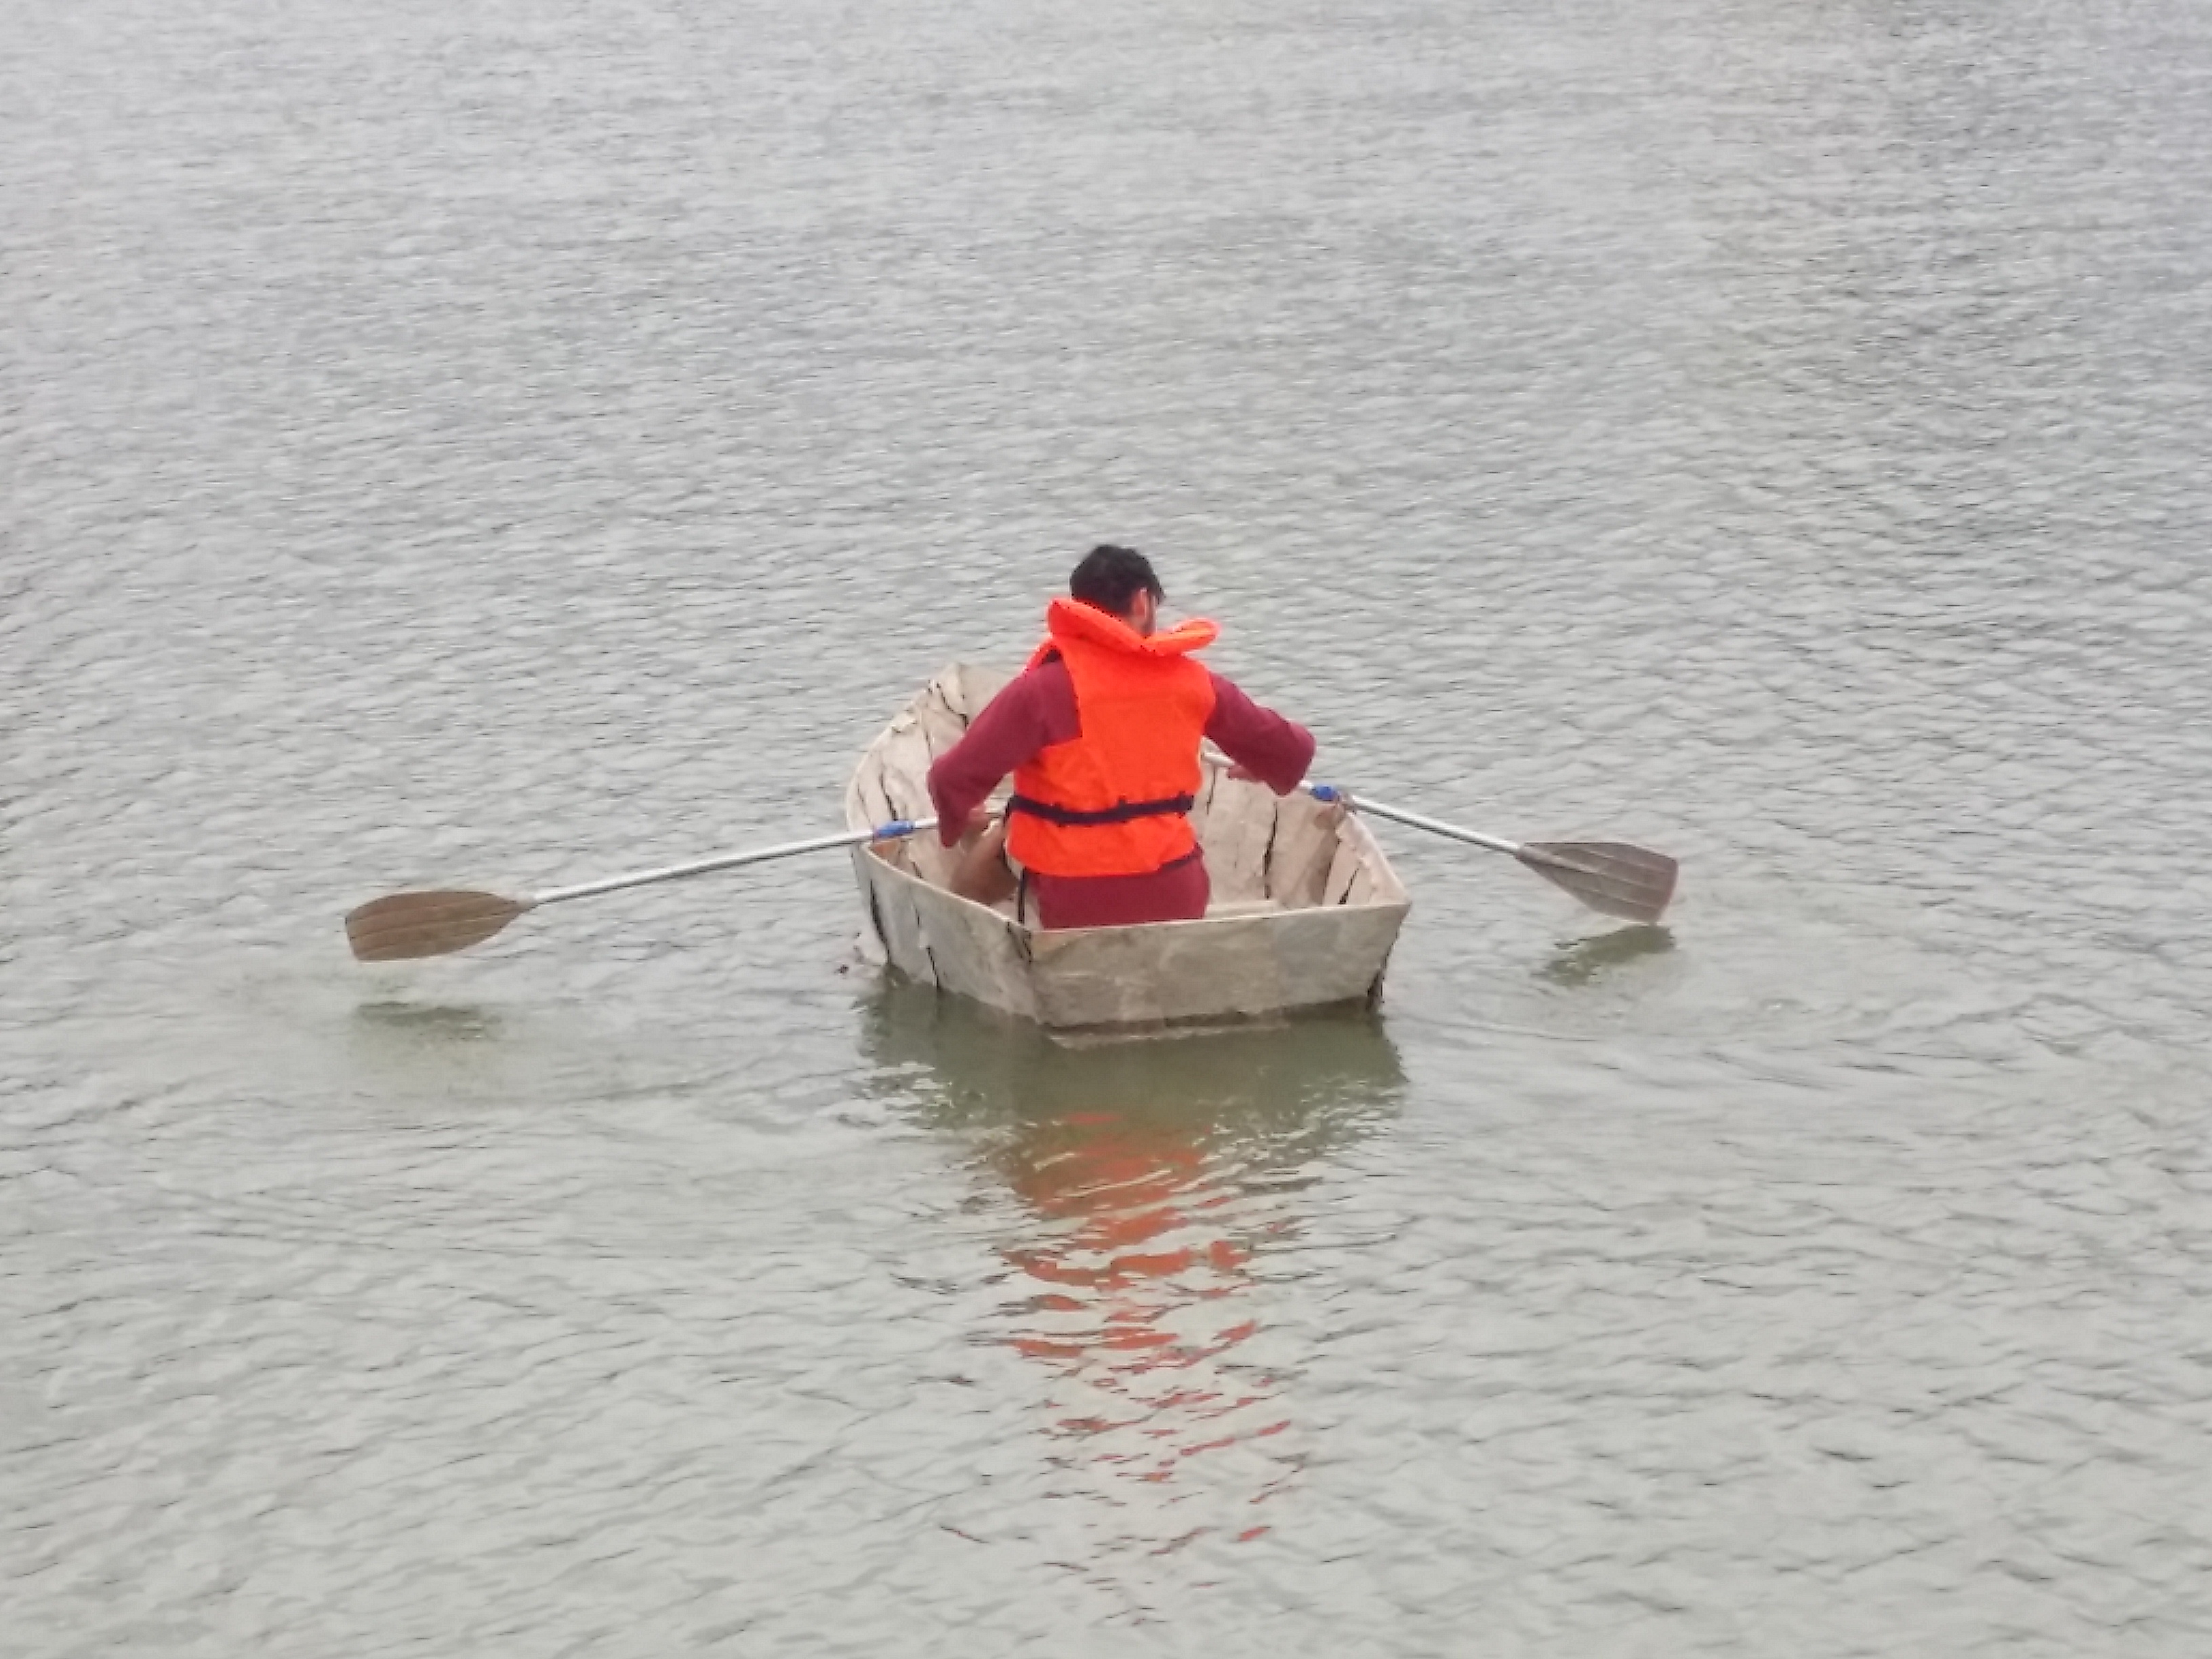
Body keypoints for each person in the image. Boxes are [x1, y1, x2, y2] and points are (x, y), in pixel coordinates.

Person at [925, 545, 1316, 930]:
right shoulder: (1195, 682)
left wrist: (960, 817)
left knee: (987, 855)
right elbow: (1292, 752)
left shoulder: (1043, 690)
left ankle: (967, 931)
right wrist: (1261, 765)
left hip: (1075, 900)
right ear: (1143, 602)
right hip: (1175, 895)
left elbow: (950, 780)